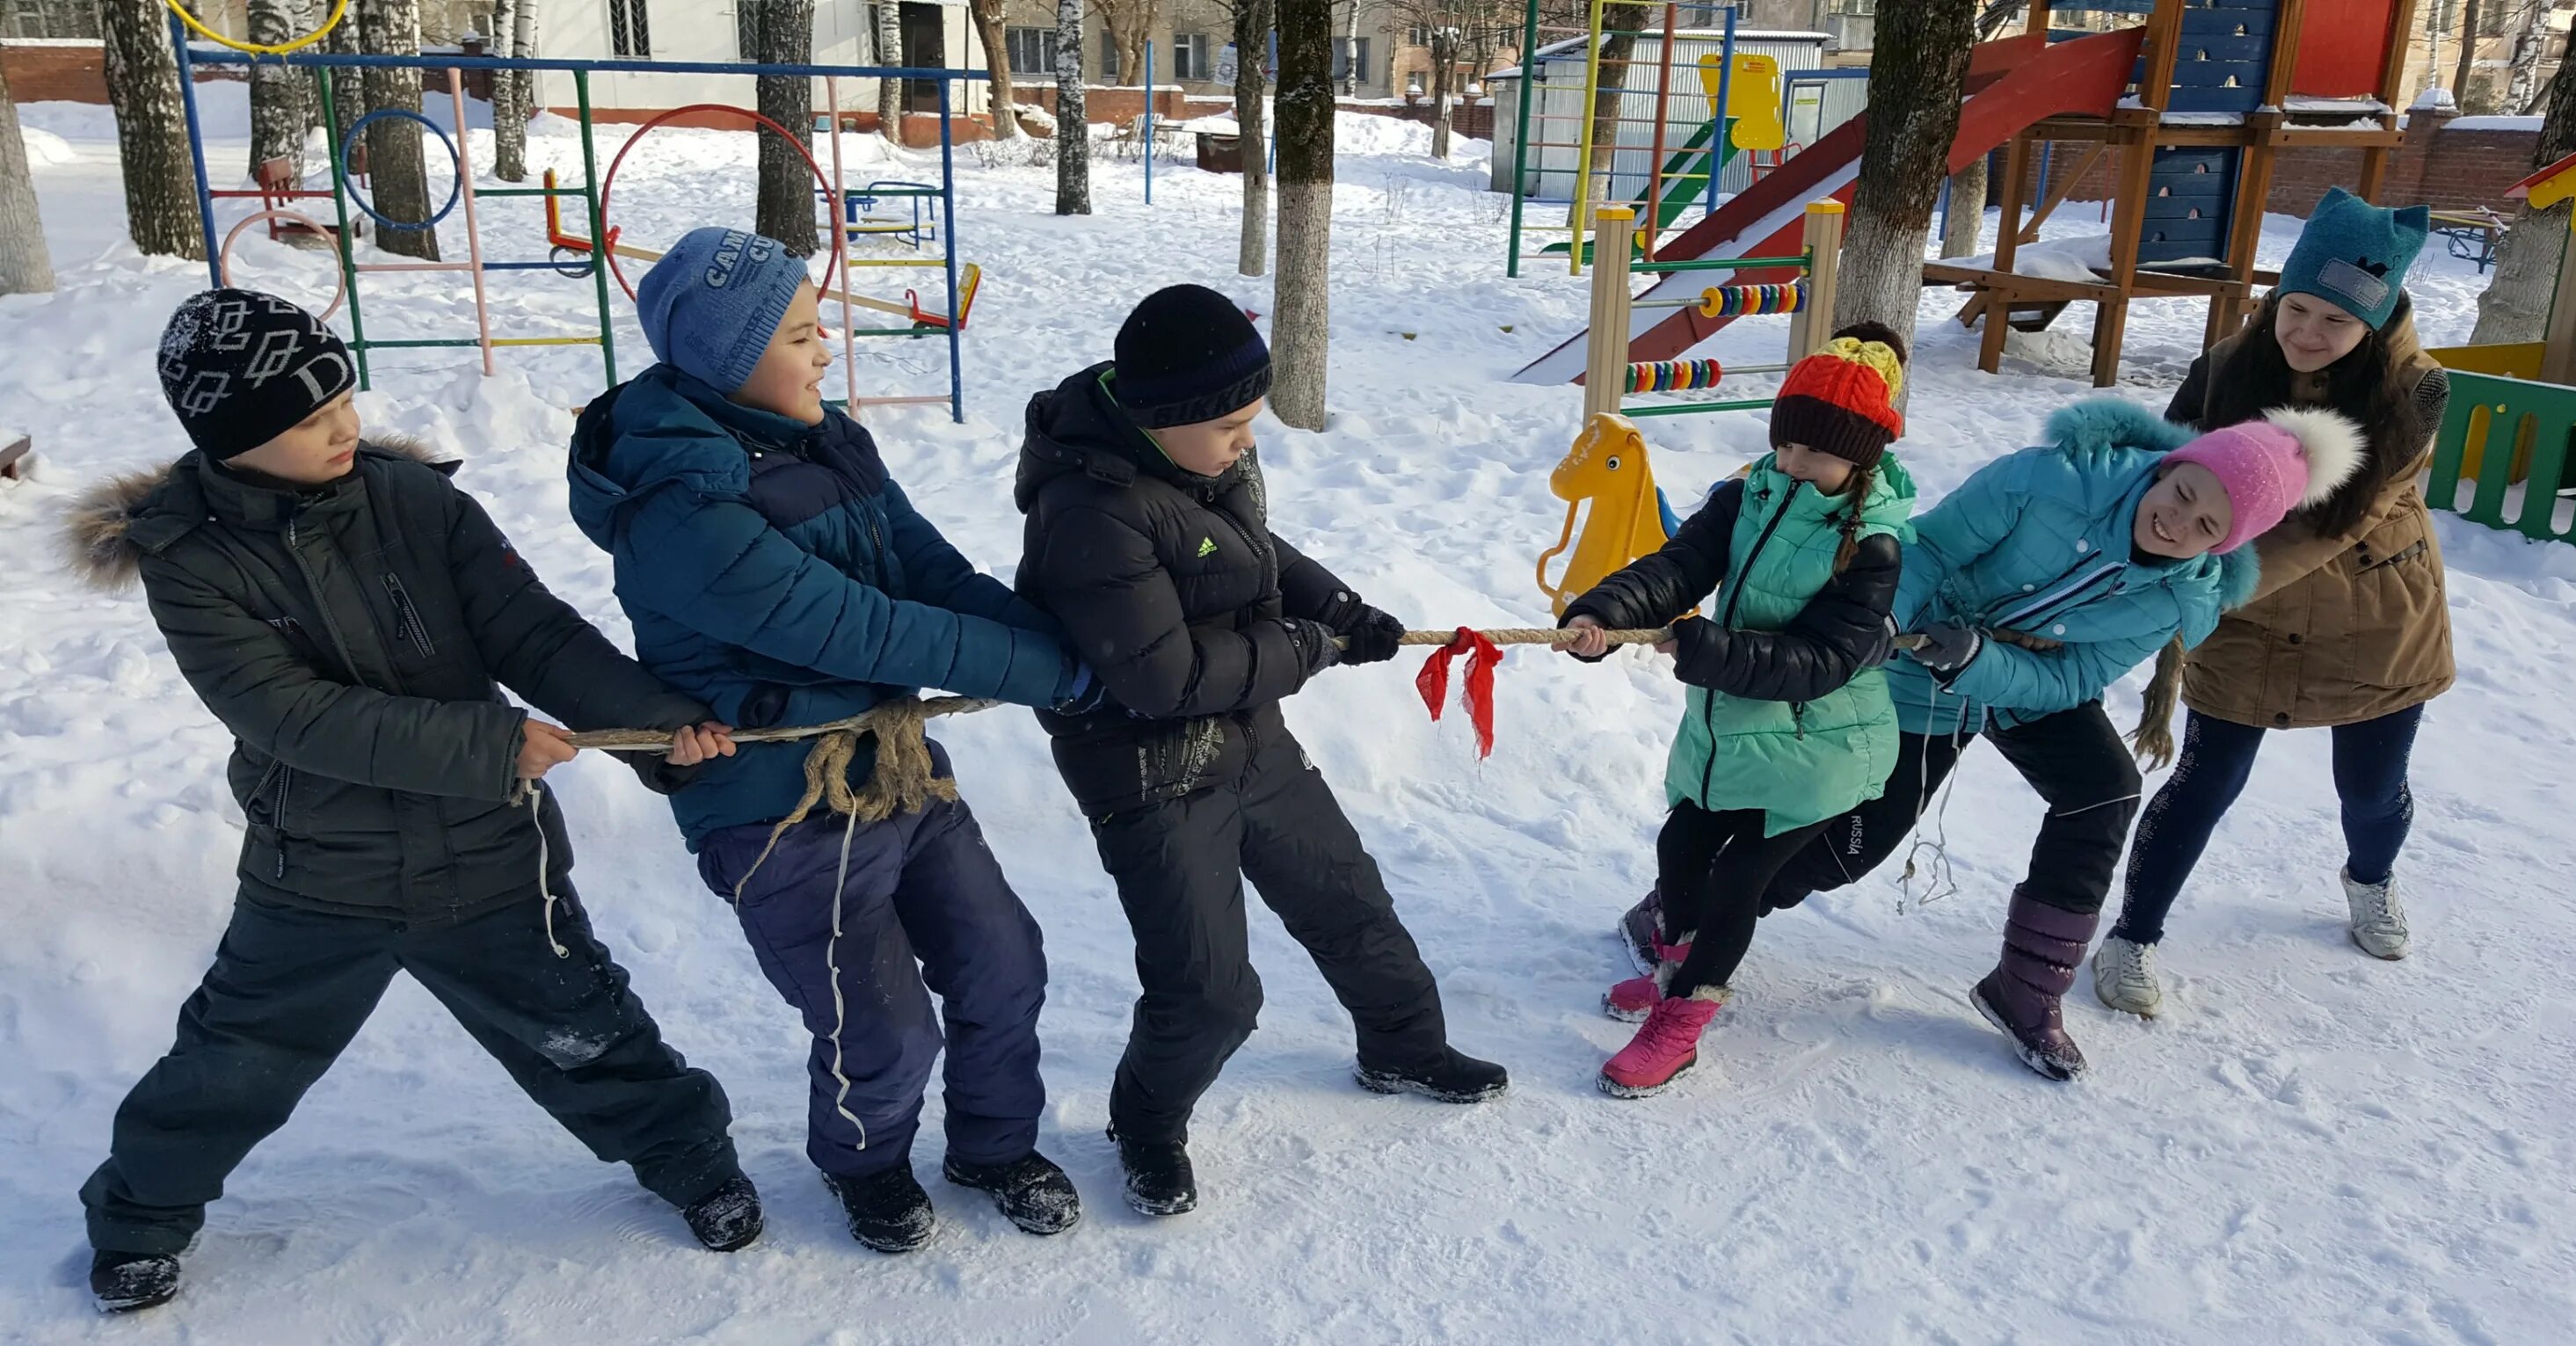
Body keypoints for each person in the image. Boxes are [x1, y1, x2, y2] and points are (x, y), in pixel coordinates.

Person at [68, 288, 757, 1313]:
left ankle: (695, 1163)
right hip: (320, 871)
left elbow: (533, 633)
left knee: (581, 1027)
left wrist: (657, 725)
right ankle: (137, 1219)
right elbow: (292, 716)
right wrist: (490, 743)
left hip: (487, 851)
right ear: (235, 437)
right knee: (236, 1058)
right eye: (308, 418)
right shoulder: (190, 558)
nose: (343, 424)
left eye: (341, 395)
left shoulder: (413, 500)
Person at [568, 229, 1101, 1255]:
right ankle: (868, 1166)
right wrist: (1059, 679)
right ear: (730, 362)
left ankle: (994, 1145)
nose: (826, 354)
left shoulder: (825, 438)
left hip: (894, 765)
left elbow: (928, 577)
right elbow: (868, 628)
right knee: (884, 1026)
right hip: (777, 805)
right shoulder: (680, 510)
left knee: (1004, 963)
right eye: (804, 336)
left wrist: (1079, 647)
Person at [1627, 397, 2365, 1080]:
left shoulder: (2179, 595)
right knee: (1848, 844)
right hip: (1909, 657)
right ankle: (1684, 908)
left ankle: (2027, 987)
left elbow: (2076, 676)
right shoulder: (2050, 480)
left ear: (2221, 547)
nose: (2179, 523)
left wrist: (1981, 663)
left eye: (2208, 527)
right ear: (2169, 466)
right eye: (2182, 495)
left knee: (2104, 787)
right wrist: (1885, 625)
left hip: (2010, 674)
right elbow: (1928, 550)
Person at [1013, 284, 1507, 1217]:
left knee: (1348, 898)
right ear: (1166, 419)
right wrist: (1308, 650)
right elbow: (1163, 680)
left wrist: (1340, 608)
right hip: (1152, 774)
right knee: (1209, 992)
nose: (1251, 440)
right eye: (1235, 423)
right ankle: (1147, 1122)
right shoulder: (1088, 514)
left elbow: (1251, 548)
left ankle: (1402, 1045)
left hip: (1250, 739)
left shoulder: (1203, 463)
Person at [2096, 188, 2450, 1014]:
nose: (2308, 334)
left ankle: (2371, 877)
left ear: (2377, 319)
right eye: (2296, 308)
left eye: (2336, 320)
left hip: (2372, 615)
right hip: (2243, 619)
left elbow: (2337, 521)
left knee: (2370, 787)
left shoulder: (2416, 389)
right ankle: (2133, 935)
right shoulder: (2226, 367)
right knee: (2206, 778)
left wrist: (2200, 592)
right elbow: (2163, 469)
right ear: (2275, 297)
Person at [1556, 325, 1915, 1096]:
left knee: (1739, 876)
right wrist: (1607, 614)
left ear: (1861, 461)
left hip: (1825, 745)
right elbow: (1681, 565)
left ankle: (1684, 1019)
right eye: (1785, 444)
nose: (1792, 464)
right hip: (1741, 731)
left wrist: (1708, 651)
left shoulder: (1873, 546)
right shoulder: (1749, 493)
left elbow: (1824, 660)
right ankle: (1678, 967)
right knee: (1681, 847)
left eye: (1814, 455)